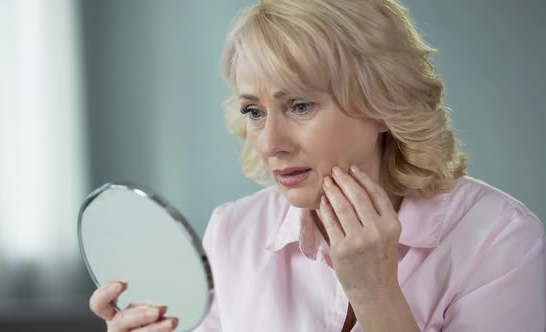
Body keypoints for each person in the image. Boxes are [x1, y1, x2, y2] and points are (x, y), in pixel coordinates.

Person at [89, 0, 546, 331]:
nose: (271, 144)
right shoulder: (234, 233)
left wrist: (376, 293)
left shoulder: (500, 241)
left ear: (384, 104)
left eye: (301, 105)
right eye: (254, 111)